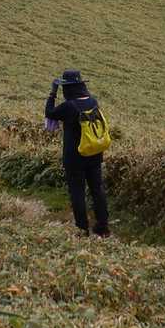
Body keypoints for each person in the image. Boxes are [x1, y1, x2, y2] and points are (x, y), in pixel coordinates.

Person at [45, 68, 110, 236]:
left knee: (77, 192)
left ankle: (82, 229)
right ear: (81, 85)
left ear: (67, 88)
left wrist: (53, 93)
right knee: (97, 189)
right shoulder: (93, 101)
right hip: (94, 153)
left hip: (74, 157)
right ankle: (103, 227)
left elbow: (49, 113)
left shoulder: (68, 106)